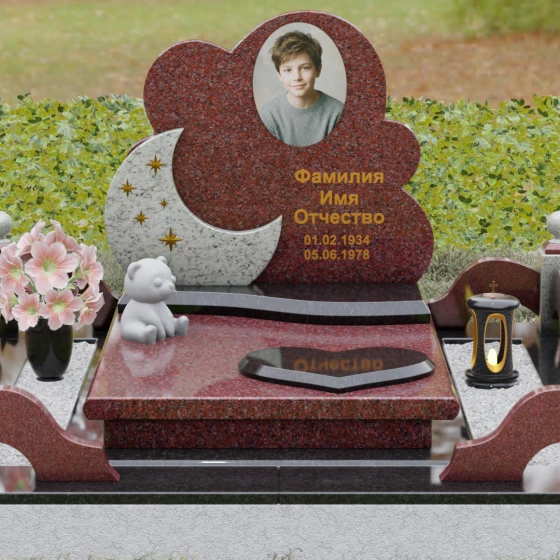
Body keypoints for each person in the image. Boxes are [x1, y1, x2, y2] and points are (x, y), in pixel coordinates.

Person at [259, 31, 344, 147]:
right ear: (279, 75)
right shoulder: (269, 114)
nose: (297, 77)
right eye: (288, 70)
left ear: (318, 70)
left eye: (305, 68)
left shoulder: (337, 112)